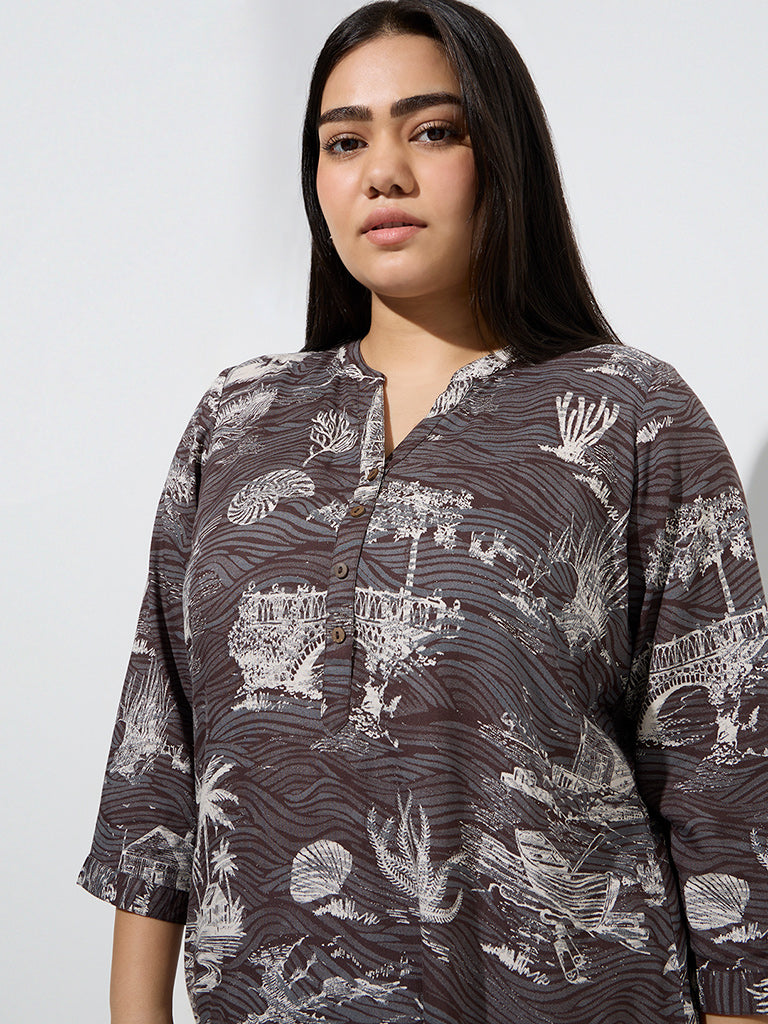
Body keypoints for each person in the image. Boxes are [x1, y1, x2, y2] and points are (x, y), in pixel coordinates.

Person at [77, 2, 768, 1022]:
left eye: (433, 130)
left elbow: (729, 789)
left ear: (504, 159)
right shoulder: (237, 420)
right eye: (344, 141)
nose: (383, 172)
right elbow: (156, 762)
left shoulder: (633, 416)